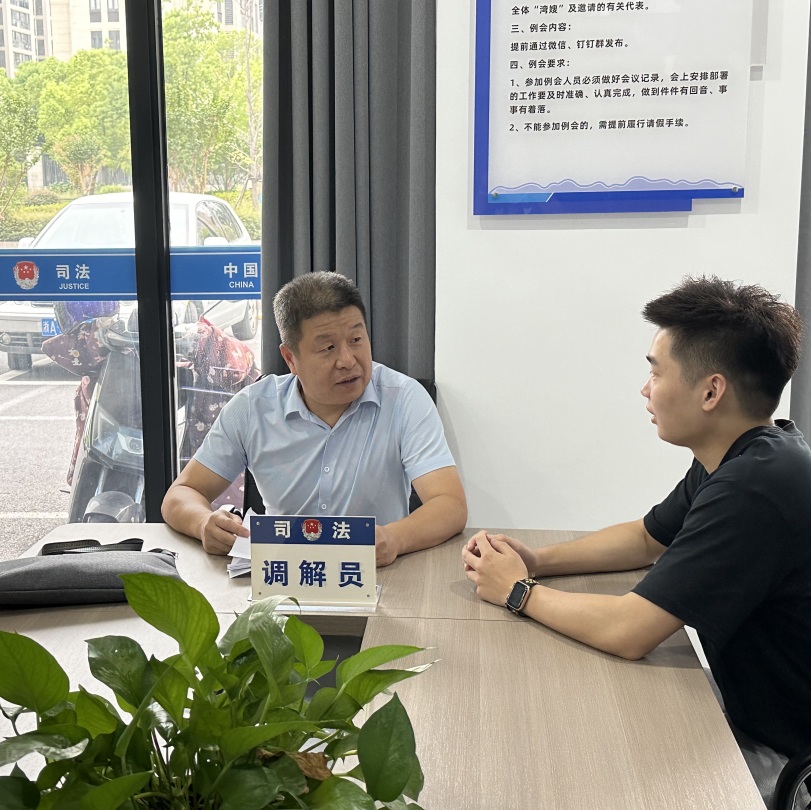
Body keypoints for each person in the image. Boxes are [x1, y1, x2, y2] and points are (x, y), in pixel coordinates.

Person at [462, 276, 811, 805]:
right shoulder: (749, 455)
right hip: (753, 715)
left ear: (711, 391)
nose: (645, 390)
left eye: (656, 371)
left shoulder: (753, 487)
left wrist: (518, 592)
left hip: (785, 759)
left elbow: (630, 631)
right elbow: (648, 537)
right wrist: (538, 560)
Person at [163, 271, 466, 566]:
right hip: (282, 577)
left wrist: (394, 538)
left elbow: (449, 504)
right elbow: (182, 493)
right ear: (290, 359)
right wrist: (204, 523)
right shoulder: (252, 408)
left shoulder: (404, 399)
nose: (347, 360)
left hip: (377, 574)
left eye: (356, 339)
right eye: (328, 348)